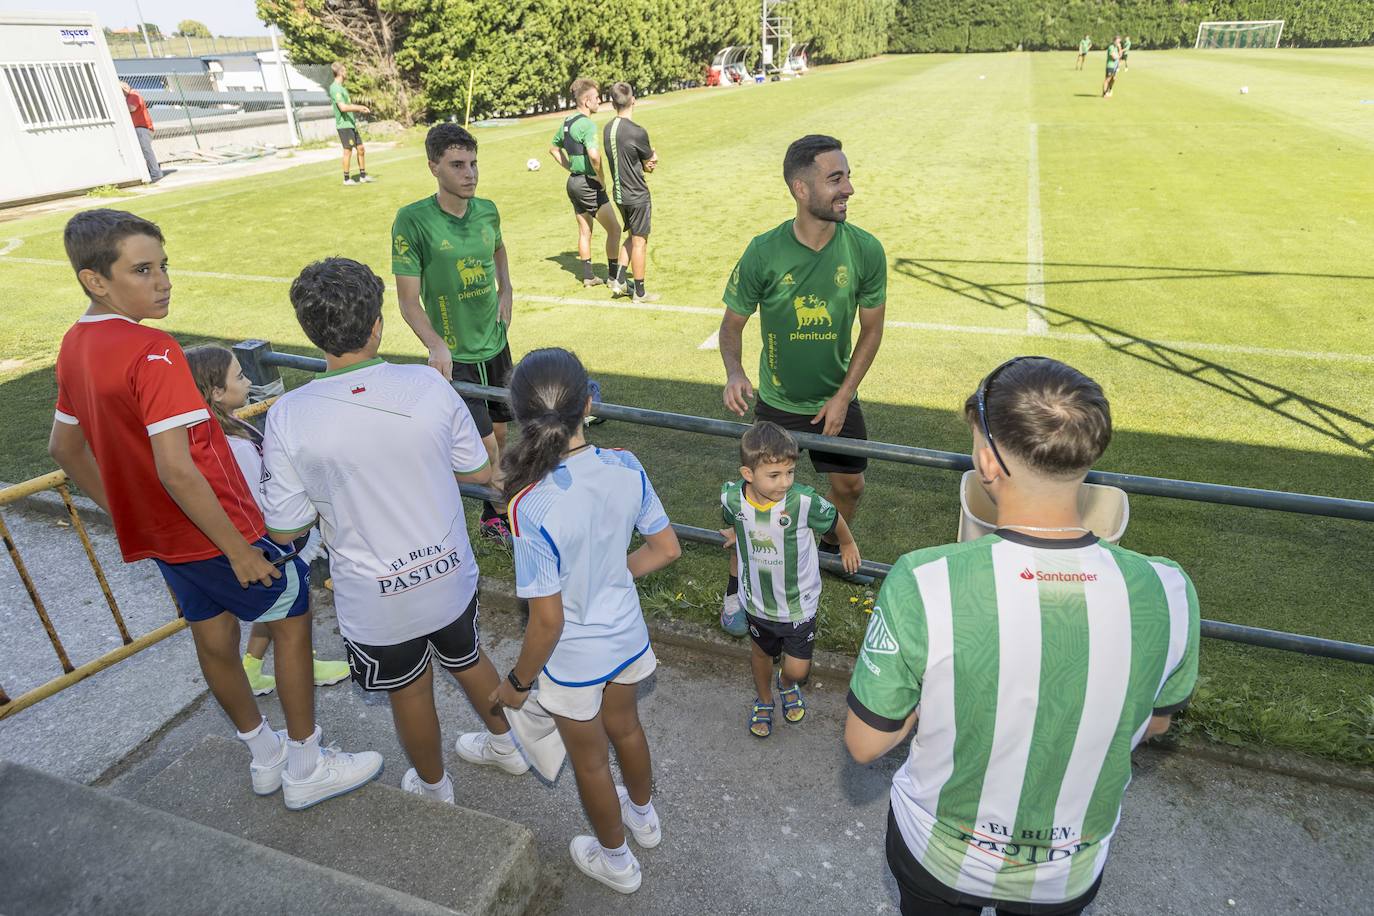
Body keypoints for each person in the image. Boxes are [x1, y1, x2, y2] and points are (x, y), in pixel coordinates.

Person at [47, 209, 381, 810]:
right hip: (220, 532)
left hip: (167, 539)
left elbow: (64, 448)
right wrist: (238, 548)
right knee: (293, 621)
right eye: (142, 270)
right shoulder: (153, 351)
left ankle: (265, 755)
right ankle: (306, 763)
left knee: (213, 638)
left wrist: (129, 512)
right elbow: (178, 466)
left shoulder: (74, 346)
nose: (163, 281)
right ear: (96, 280)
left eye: (164, 265)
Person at [844, 356, 1201, 916]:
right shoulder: (1169, 589)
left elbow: (866, 743)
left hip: (938, 855)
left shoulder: (924, 580)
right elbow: (1154, 721)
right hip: (1066, 869)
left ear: (987, 460)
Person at [261, 257, 529, 804]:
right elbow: (479, 470)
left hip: (375, 596)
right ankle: (509, 747)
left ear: (309, 331)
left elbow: (285, 528)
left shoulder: (289, 416)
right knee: (470, 657)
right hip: (450, 571)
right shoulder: (427, 387)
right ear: (378, 323)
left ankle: (434, 789)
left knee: (410, 691)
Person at [493, 348, 681, 894]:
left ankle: (616, 860)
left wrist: (517, 684)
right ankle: (643, 818)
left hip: (574, 657)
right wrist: (611, 574)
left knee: (592, 762)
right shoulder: (626, 464)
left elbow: (546, 621)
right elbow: (666, 548)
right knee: (628, 727)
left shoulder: (530, 503)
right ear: (589, 404)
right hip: (626, 636)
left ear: (522, 416)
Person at [718, 133, 887, 632]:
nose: (849, 188)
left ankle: (830, 545)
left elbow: (872, 329)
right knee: (758, 505)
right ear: (800, 187)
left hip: (837, 396)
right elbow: (732, 324)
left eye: (847, 176)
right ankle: (735, 592)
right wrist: (734, 372)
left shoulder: (865, 250)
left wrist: (843, 395)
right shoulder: (763, 252)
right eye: (836, 179)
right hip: (777, 403)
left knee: (849, 486)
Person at [183, 345, 350, 696]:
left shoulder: (214, 431)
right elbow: (260, 497)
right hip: (272, 542)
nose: (247, 382)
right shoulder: (236, 445)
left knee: (273, 605)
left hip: (256, 543)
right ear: (215, 391)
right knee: (288, 608)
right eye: (240, 376)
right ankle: (303, 666)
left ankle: (252, 669)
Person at [393, 123, 515, 539]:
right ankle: (500, 515)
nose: (471, 173)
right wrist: (436, 344)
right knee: (486, 447)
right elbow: (408, 300)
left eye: (474, 163)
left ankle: (491, 507)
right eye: (458, 165)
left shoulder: (487, 210)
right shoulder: (412, 221)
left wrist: (506, 289)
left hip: (495, 344)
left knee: (500, 432)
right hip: (456, 355)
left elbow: (498, 248)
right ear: (434, 167)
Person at [719, 422, 859, 737]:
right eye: (775, 475)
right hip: (757, 601)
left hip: (799, 603)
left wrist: (847, 543)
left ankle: (786, 684)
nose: (785, 482)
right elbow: (731, 517)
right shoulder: (732, 498)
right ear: (747, 474)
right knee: (760, 654)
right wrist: (733, 531)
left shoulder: (802, 502)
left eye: (790, 473)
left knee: (798, 668)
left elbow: (834, 517)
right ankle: (764, 700)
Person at [548, 78, 623, 288]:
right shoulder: (587, 124)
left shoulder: (567, 122)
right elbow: (595, 156)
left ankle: (589, 276)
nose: (599, 101)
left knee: (585, 231)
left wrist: (571, 168)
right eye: (597, 98)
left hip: (573, 183)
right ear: (587, 101)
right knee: (615, 230)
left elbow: (554, 149)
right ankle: (613, 277)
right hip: (589, 184)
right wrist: (601, 178)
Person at [603, 82, 658, 303]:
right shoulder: (637, 131)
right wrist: (653, 160)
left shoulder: (607, 128)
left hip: (619, 195)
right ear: (633, 100)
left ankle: (619, 279)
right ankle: (640, 292)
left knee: (631, 236)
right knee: (639, 242)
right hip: (637, 194)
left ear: (612, 103)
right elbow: (648, 164)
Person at [329, 62, 373, 186]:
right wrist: (359, 108)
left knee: (361, 148)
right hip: (344, 125)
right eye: (345, 70)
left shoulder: (343, 88)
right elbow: (342, 107)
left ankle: (363, 176)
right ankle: (347, 179)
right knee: (348, 151)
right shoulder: (335, 88)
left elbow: (348, 105)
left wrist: (360, 108)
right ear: (341, 72)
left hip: (351, 124)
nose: (347, 73)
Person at [120, 82, 163, 183]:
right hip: (140, 128)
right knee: (144, 152)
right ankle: (152, 171)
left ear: (125, 88)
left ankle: (156, 173)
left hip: (142, 128)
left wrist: (120, 104)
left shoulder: (133, 95)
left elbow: (132, 108)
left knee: (146, 151)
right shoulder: (131, 96)